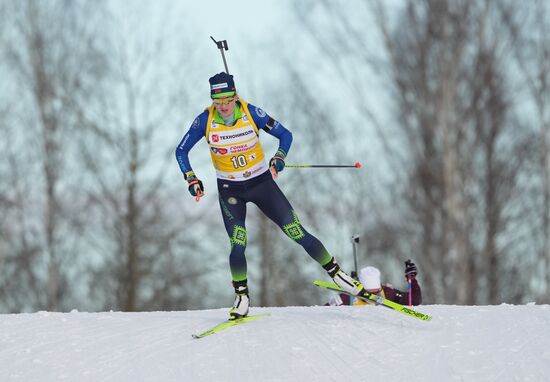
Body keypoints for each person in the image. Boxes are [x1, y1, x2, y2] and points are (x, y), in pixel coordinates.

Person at [175, 72, 367, 320]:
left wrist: (279, 157)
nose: (222, 106)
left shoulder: (252, 113)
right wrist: (191, 177)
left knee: (296, 231)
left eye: (227, 100)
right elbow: (181, 151)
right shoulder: (204, 121)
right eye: (217, 101)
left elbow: (286, 135)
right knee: (238, 243)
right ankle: (242, 297)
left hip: (261, 184)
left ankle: (338, 275)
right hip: (230, 190)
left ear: (235, 96)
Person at [326, 260, 422, 306]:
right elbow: (323, 311)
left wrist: (412, 279)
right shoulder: (347, 297)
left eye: (376, 292)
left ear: (380, 288)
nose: (373, 297)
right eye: (368, 293)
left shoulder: (388, 293)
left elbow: (414, 300)